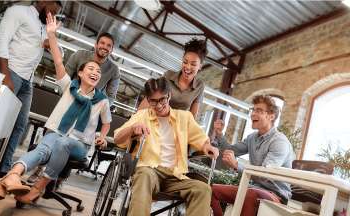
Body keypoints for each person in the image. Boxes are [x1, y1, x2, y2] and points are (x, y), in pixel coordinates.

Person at [0, 13, 112, 204]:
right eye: (90, 69)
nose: (95, 72)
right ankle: (13, 175)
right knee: (43, 149)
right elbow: (58, 60)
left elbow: (106, 123)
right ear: (80, 73)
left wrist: (103, 136)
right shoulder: (69, 86)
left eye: (98, 71)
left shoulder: (102, 101)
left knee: (61, 143)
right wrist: (51, 34)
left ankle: (37, 188)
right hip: (57, 133)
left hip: (80, 144)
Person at [114, 77, 219, 216]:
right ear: (148, 100)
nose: (158, 105)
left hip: (175, 176)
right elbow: (117, 138)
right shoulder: (142, 115)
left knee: (203, 189)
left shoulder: (184, 117)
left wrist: (207, 146)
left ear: (169, 95)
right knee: (144, 174)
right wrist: (132, 128)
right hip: (149, 171)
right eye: (153, 101)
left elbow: (201, 139)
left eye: (162, 100)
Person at [0, 1, 62, 178]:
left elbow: (60, 54)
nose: (52, 17)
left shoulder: (43, 27)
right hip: (12, 72)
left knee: (19, 125)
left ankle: (3, 166)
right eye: (52, 12)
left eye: (55, 15)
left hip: (27, 81)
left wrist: (51, 37)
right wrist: (5, 74)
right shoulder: (19, 12)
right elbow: (1, 38)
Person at [210, 95, 295, 216]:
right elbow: (231, 150)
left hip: (276, 195)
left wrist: (236, 165)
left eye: (259, 110)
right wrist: (219, 133)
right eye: (253, 110)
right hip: (252, 189)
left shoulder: (279, 141)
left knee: (250, 195)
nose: (253, 114)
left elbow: (264, 175)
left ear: (271, 116)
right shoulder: (252, 138)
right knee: (211, 190)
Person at [138, 38, 207, 118]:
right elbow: (151, 97)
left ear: (200, 66)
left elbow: (192, 116)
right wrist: (136, 118)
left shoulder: (199, 86)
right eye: (185, 62)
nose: (188, 67)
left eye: (193, 64)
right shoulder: (169, 76)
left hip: (175, 124)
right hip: (156, 118)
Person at [65, 32, 120, 105]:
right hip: (69, 99)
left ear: (111, 50)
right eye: (102, 43)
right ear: (96, 45)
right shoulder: (79, 55)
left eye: (109, 45)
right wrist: (66, 96)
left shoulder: (114, 70)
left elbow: (111, 97)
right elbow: (65, 77)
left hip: (90, 106)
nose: (105, 47)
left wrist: (98, 108)